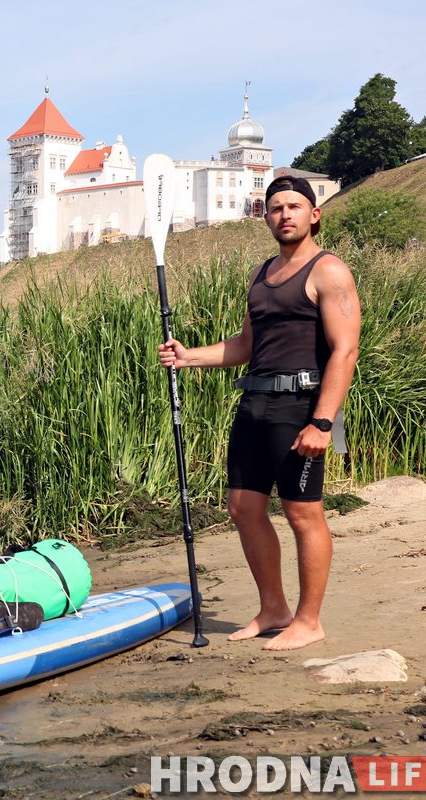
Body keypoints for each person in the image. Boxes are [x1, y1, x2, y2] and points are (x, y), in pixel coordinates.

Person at [158, 175, 360, 651]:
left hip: (301, 405)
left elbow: (345, 350)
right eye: (275, 208)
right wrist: (189, 356)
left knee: (302, 512)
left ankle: (309, 621)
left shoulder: (329, 271)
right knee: (243, 508)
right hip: (255, 403)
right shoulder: (261, 273)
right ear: (265, 218)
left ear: (314, 215)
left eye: (294, 206)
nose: (284, 214)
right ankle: (274, 608)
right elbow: (246, 346)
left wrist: (323, 421)